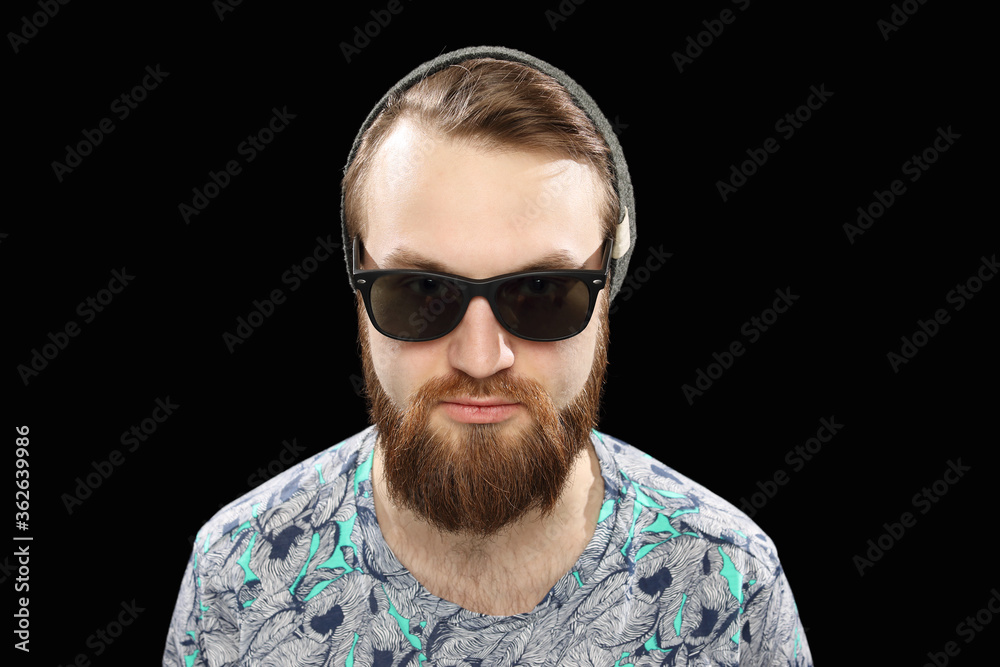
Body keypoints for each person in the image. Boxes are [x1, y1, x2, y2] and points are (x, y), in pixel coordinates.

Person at [164, 46, 813, 666]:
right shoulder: (237, 575)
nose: (481, 358)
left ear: (608, 284)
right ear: (357, 278)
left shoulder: (730, 584)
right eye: (421, 291)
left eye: (540, 292)